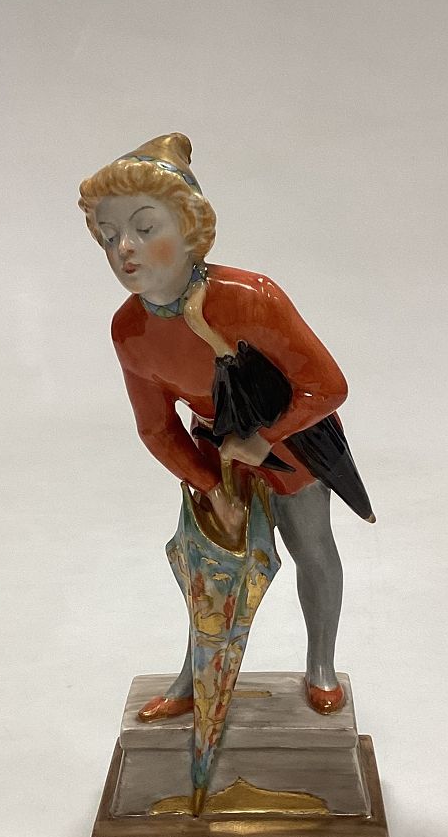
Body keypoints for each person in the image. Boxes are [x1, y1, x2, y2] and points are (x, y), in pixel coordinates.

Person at [78, 133, 356, 716]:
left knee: (311, 548)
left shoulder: (251, 298)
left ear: (191, 228)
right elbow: (156, 428)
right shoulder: (130, 330)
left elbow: (327, 387)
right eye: (108, 236)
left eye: (144, 227)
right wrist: (209, 485)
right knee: (208, 571)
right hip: (216, 455)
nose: (124, 247)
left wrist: (263, 439)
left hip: (292, 444)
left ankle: (321, 666)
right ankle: (193, 680)